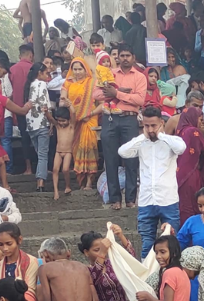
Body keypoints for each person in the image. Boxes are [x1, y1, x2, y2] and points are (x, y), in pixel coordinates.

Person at [120, 107, 187, 255]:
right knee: (147, 245)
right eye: (147, 126)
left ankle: (170, 276)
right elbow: (122, 152)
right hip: (146, 201)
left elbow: (181, 148)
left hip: (168, 200)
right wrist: (143, 137)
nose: (150, 129)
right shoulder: (141, 143)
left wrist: (160, 135)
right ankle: (148, 277)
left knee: (171, 244)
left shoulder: (171, 141)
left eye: (153, 125)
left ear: (161, 123)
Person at [97, 45, 148, 210]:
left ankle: (131, 199)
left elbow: (140, 100)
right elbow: (96, 95)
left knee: (131, 159)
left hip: (129, 119)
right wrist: (122, 93)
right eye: (122, 55)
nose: (125, 58)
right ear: (117, 57)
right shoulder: (108, 73)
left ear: (133, 57)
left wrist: (116, 93)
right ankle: (115, 199)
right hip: (110, 117)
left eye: (128, 55)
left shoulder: (140, 77)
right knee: (110, 159)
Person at [63, 56, 102, 192]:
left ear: (86, 69)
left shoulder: (93, 83)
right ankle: (81, 181)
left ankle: (89, 182)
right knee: (76, 150)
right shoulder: (68, 84)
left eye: (80, 69)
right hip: (75, 122)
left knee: (90, 149)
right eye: (75, 69)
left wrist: (89, 114)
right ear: (71, 70)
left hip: (90, 120)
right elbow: (62, 101)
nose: (78, 72)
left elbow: (102, 105)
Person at [79, 230, 131, 301]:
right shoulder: (86, 270)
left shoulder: (112, 264)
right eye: (97, 250)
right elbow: (94, 278)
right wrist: (102, 252)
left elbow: (130, 259)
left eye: (103, 248)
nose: (103, 252)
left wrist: (120, 235)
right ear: (86, 252)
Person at [173, 106, 204, 224]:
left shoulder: (180, 131)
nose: (201, 123)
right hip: (191, 174)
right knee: (192, 206)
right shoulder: (193, 131)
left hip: (181, 174)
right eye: (200, 120)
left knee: (184, 207)